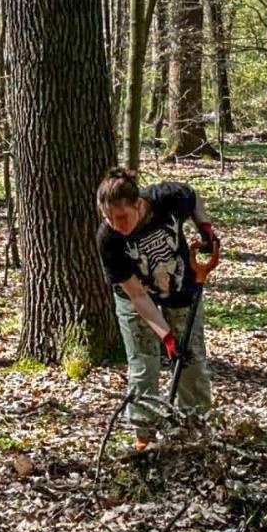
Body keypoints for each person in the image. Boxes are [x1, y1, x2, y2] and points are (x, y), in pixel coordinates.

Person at [96, 167, 219, 447]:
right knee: (143, 364)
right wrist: (165, 336)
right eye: (108, 218)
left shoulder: (166, 198)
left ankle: (195, 429)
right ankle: (145, 434)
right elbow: (138, 296)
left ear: (138, 204)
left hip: (181, 288)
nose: (116, 224)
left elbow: (193, 197)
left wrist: (205, 228)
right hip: (135, 299)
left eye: (122, 217)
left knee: (192, 359)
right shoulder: (108, 239)